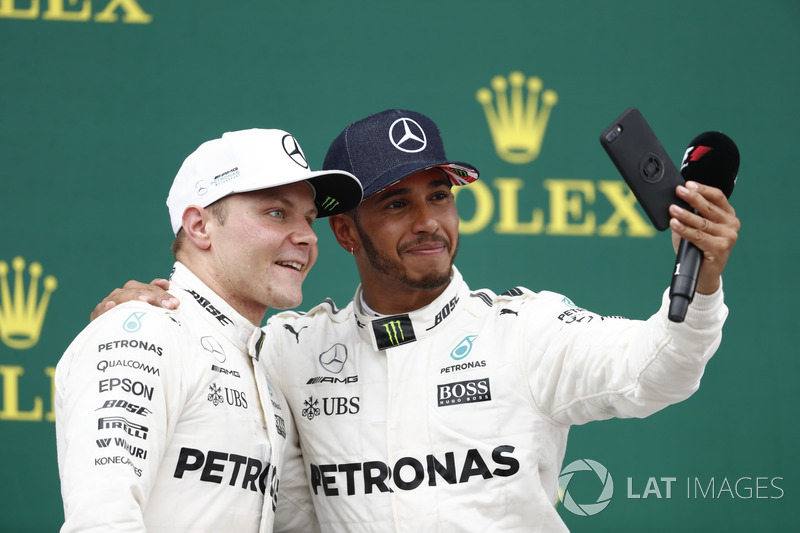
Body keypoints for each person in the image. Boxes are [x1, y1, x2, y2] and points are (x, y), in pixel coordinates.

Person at [91, 110, 740, 532]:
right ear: (344, 230)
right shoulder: (292, 350)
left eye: (440, 195)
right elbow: (203, 350)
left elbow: (659, 369)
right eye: (397, 203)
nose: (428, 220)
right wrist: (141, 318)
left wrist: (703, 276)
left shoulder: (525, 329)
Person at [55, 128, 362, 533]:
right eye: (276, 213)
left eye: (308, 219)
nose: (307, 236)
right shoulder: (144, 332)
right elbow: (101, 522)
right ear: (199, 226)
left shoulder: (259, 364)